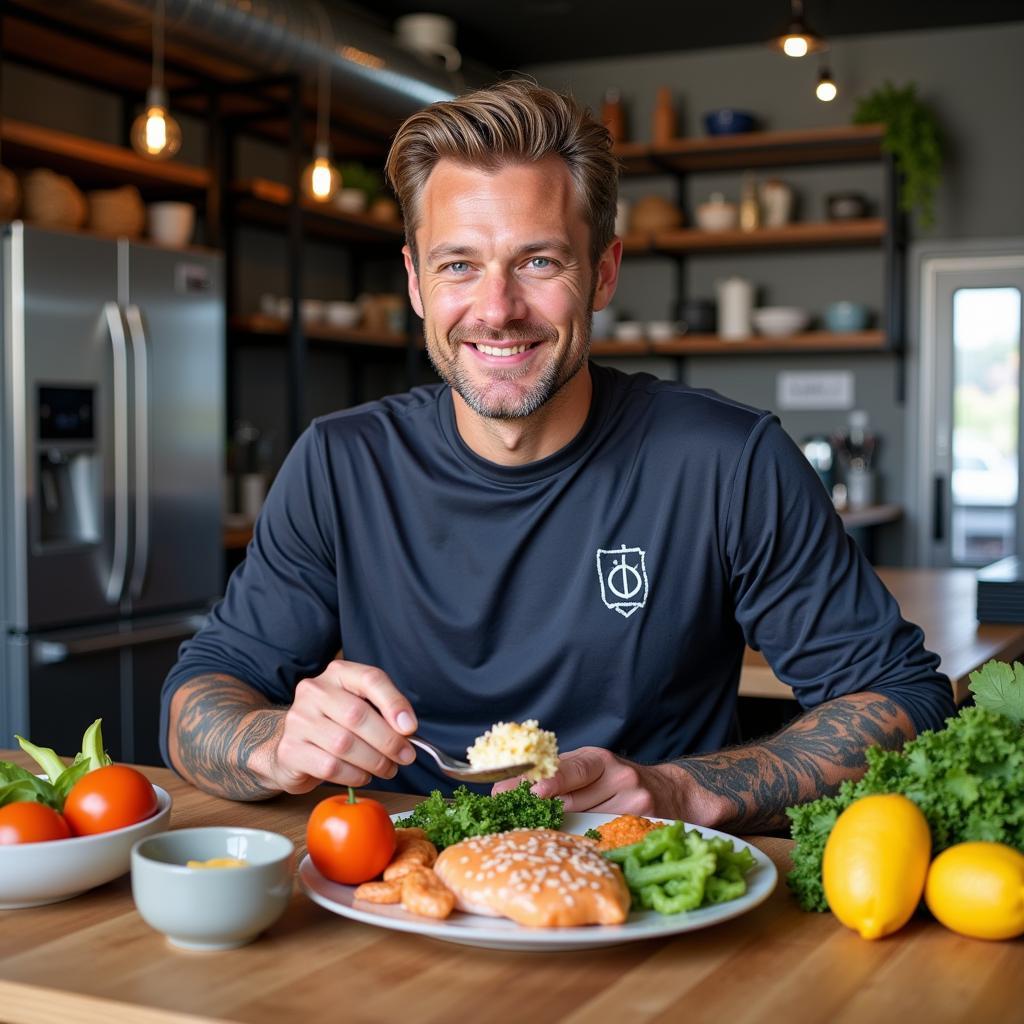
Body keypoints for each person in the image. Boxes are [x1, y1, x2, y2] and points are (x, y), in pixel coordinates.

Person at [161, 80, 953, 833]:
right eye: (458, 265)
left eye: (538, 261)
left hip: (649, 890)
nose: (497, 309)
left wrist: (683, 788)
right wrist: (274, 743)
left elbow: (907, 701)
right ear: (414, 282)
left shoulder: (726, 461)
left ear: (602, 272)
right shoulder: (341, 463)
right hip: (403, 887)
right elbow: (197, 700)